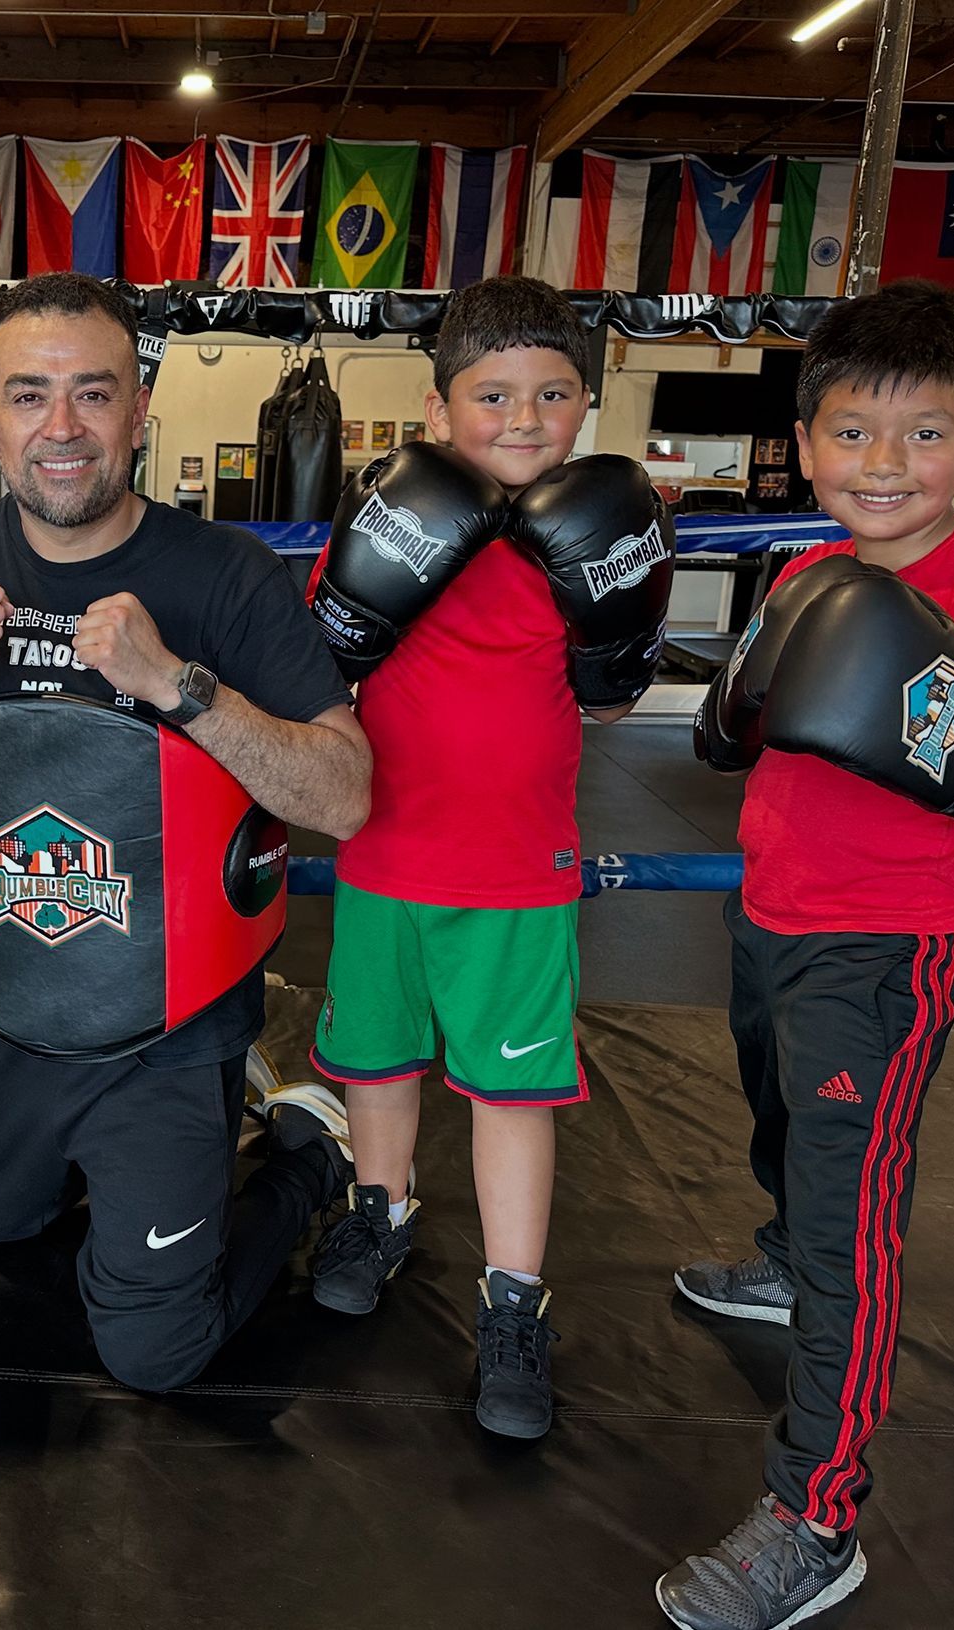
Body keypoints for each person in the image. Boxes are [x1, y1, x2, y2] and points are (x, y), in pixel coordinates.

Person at [0, 272, 372, 1393]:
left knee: (157, 1351)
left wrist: (180, 686)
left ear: (139, 411)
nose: (61, 427)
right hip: (4, 1007)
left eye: (93, 393)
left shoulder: (223, 573)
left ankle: (308, 1157)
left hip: (168, 1034)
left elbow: (345, 795)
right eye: (29, 396)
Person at [658, 281, 954, 1629]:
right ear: (806, 446)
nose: (887, 466)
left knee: (851, 1215)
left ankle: (818, 1514)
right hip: (774, 916)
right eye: (855, 433)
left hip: (886, 949)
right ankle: (783, 1253)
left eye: (924, 433)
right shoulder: (811, 574)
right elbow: (734, 727)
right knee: (780, 1127)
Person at [303, 275, 672, 1440]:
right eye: (493, 393)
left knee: (513, 1091)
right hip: (381, 854)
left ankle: (514, 1300)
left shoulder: (599, 528)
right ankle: (382, 1208)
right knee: (376, 1056)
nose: (523, 418)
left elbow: (611, 710)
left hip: (515, 873)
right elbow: (323, 665)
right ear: (436, 405)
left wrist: (614, 632)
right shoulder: (394, 518)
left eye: (552, 394)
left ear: (584, 406)